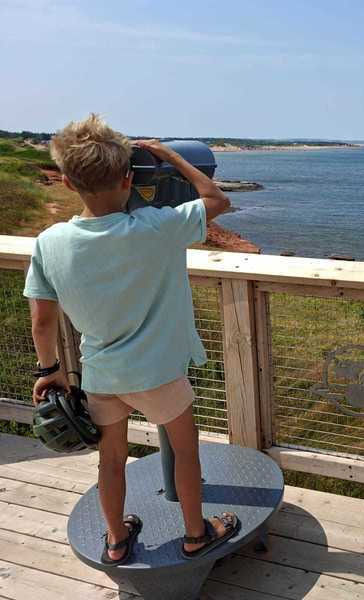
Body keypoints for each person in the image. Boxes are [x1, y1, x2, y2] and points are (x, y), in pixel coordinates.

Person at [24, 114, 239, 565]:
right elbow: (216, 200)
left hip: (102, 374)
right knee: (185, 453)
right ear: (129, 177)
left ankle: (117, 540)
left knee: (111, 461)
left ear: (65, 181)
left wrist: (50, 372)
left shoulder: (50, 242)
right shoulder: (157, 227)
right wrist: (170, 155)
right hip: (159, 371)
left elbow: (42, 321)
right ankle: (197, 535)